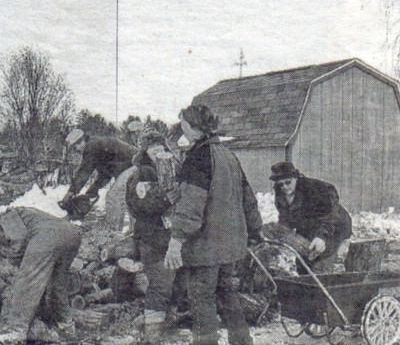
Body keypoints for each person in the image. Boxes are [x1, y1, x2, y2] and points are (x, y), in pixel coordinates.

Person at [163, 105, 262, 345]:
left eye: (183, 124)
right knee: (228, 295)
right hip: (230, 246)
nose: (182, 129)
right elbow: (248, 198)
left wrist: (176, 241)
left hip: (205, 247)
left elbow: (191, 206)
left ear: (192, 126)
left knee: (202, 299)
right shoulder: (228, 156)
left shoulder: (198, 157)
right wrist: (255, 230)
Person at [0, 207, 81, 343]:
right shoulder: (27, 214)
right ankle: (67, 327)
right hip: (72, 234)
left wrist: (17, 260)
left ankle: (15, 332)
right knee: (56, 284)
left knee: (27, 282)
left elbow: (19, 240)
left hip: (47, 236)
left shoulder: (6, 217)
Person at [126, 130, 179, 334]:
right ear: (145, 150)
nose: (157, 150)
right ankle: (152, 333)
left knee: (175, 280)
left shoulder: (171, 169)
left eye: (160, 145)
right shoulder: (141, 174)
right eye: (152, 147)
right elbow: (139, 207)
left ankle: (166, 323)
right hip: (151, 237)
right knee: (160, 282)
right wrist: (166, 200)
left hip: (170, 235)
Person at [270, 161, 352, 273]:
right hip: (308, 226)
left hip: (333, 226)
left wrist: (321, 237)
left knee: (319, 266)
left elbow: (330, 216)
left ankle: (323, 279)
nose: (284, 187)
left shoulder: (315, 189)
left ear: (296, 177)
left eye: (288, 182)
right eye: (280, 184)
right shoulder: (280, 192)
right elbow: (285, 217)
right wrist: (282, 232)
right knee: (303, 266)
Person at [60, 128, 136, 222]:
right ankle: (131, 228)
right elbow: (105, 175)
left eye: (75, 147)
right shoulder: (98, 147)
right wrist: (93, 190)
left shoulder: (92, 146)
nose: (76, 150)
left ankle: (112, 228)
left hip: (135, 165)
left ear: (81, 141)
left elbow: (84, 171)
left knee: (113, 196)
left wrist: (71, 191)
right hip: (133, 165)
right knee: (128, 199)